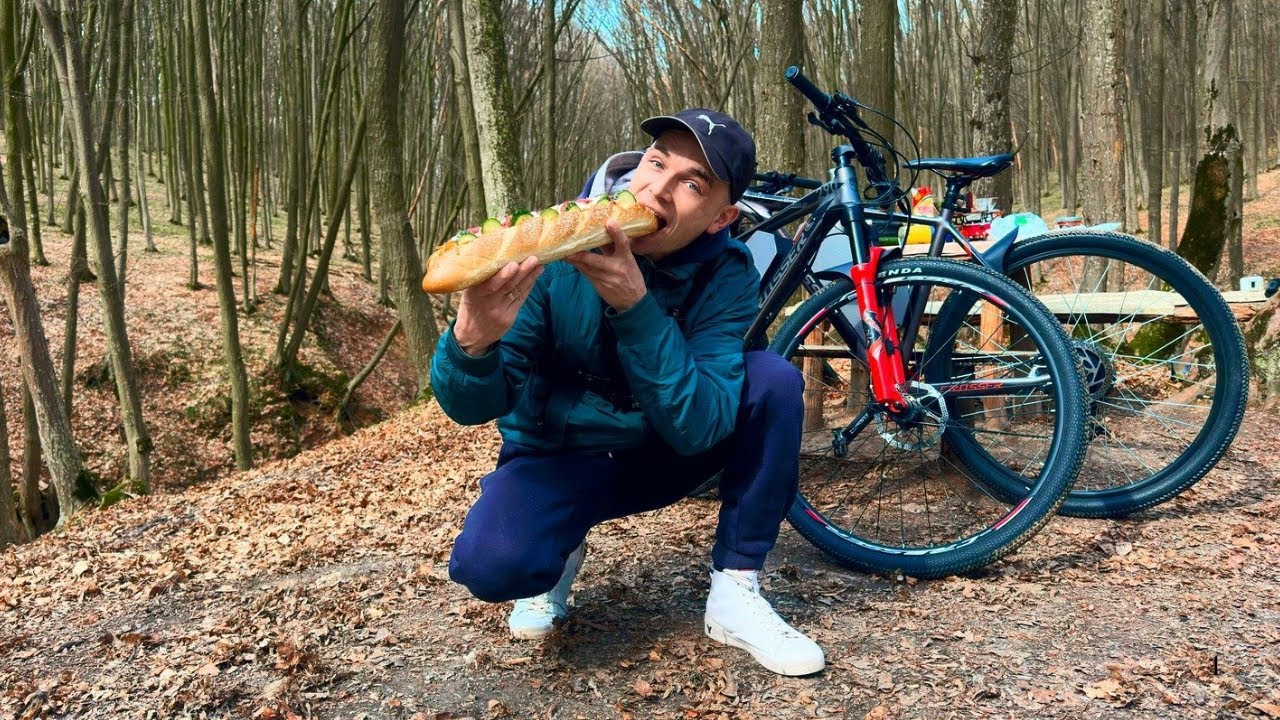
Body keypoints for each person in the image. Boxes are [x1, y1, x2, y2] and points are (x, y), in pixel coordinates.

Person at [430, 109, 824, 676]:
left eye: (692, 185)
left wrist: (635, 307)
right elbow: (471, 407)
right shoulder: (554, 253)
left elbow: (701, 425)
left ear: (721, 217)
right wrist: (472, 343)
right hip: (560, 456)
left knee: (773, 380)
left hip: (663, 452)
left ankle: (736, 592)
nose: (658, 190)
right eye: (656, 163)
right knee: (491, 567)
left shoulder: (728, 273)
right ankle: (559, 544)